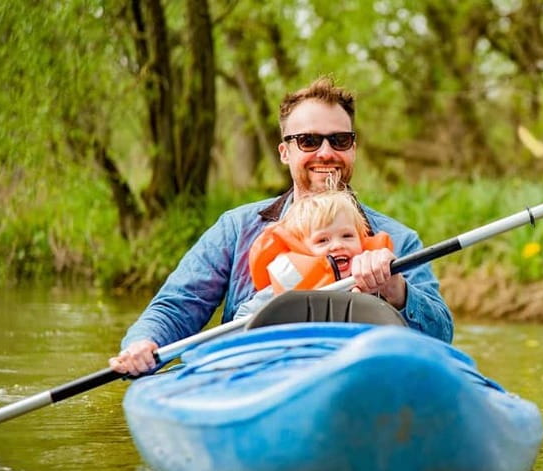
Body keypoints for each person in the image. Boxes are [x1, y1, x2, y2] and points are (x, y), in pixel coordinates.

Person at [110, 75, 453, 376]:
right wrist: (144, 343)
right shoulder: (236, 229)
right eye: (308, 141)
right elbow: (177, 306)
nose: (325, 152)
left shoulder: (399, 241)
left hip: (360, 383)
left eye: (340, 140)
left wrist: (396, 289)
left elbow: (441, 338)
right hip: (257, 381)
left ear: (353, 149)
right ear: (285, 152)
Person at [235, 189, 395, 319]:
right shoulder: (285, 289)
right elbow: (242, 319)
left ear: (361, 239)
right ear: (301, 250)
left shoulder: (376, 280)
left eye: (347, 236)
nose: (338, 245)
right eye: (323, 240)